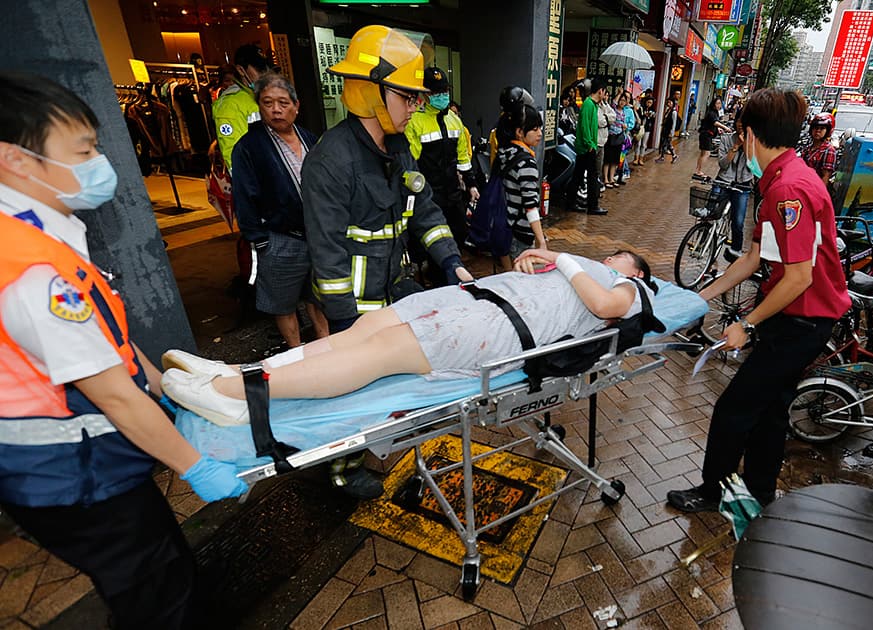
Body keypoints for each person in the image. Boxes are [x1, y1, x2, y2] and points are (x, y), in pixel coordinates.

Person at [0, 73, 246, 629]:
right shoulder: (33, 271)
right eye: (84, 150)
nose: (98, 161)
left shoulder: (42, 225)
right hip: (71, 475)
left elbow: (108, 345)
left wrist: (166, 385)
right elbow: (111, 392)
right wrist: (194, 466)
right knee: (158, 594)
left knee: (158, 571)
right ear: (16, 159)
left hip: (81, 466)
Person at [160, 249, 658, 426]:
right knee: (366, 327)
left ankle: (237, 397)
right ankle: (238, 371)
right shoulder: (576, 270)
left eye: (620, 257)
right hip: (474, 298)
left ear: (633, 271)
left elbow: (604, 307)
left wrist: (567, 259)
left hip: (494, 329)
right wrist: (538, 260)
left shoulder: (627, 286)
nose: (612, 257)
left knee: (382, 353)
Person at [298, 25, 472, 498]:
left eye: (418, 98)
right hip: (355, 309)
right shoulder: (330, 162)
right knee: (356, 393)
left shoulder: (396, 149)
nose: (416, 106)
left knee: (393, 384)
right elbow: (327, 253)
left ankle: (383, 444)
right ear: (370, 90)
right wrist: (346, 324)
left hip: (394, 293)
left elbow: (425, 211)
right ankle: (341, 468)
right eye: (407, 97)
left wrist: (452, 261)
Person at [667, 89, 851, 512]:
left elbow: (799, 277)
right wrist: (699, 296)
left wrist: (746, 324)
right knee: (771, 409)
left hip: (801, 321)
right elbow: (753, 259)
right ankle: (761, 491)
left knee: (734, 409)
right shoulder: (783, 180)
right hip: (798, 317)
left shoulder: (789, 191)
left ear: (749, 134)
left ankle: (713, 492)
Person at [231, 72, 330, 348]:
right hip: (279, 237)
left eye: (283, 103)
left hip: (317, 234)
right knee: (282, 302)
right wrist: (259, 239)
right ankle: (296, 351)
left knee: (319, 295)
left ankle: (324, 342)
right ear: (259, 106)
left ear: (296, 106)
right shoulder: (249, 147)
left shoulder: (310, 138)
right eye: (268, 102)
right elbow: (243, 196)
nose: (276, 109)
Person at [405, 66, 478, 255]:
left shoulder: (454, 120)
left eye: (445, 90)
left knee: (459, 236)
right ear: (426, 94)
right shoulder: (414, 121)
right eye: (436, 92)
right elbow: (410, 163)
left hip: (453, 194)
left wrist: (471, 184)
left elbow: (463, 156)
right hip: (429, 196)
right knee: (434, 245)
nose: (442, 95)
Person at [495, 102, 547, 269]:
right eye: (534, 129)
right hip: (521, 233)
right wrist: (541, 241)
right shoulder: (526, 163)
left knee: (509, 278)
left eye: (540, 127)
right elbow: (530, 206)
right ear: (519, 132)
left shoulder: (504, 153)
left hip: (505, 227)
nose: (540, 133)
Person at [212, 44, 269, 171]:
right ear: (241, 70)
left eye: (266, 68)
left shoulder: (263, 95)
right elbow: (234, 157)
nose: (265, 74)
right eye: (259, 69)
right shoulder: (230, 105)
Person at [565, 78, 608, 215]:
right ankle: (593, 206)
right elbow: (584, 126)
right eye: (604, 92)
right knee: (592, 176)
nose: (605, 95)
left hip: (587, 146)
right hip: (587, 147)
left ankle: (571, 203)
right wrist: (590, 144)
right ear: (600, 91)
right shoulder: (589, 105)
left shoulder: (592, 105)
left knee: (578, 175)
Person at [714, 116, 754, 260]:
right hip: (724, 180)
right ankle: (704, 240)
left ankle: (736, 251)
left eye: (744, 123)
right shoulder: (726, 139)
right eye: (739, 122)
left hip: (742, 184)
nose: (740, 125)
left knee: (737, 221)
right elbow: (723, 164)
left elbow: (753, 167)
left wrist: (746, 147)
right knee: (710, 213)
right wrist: (735, 146)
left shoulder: (754, 143)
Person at [695, 97, 730, 181]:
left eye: (720, 103)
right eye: (717, 103)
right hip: (706, 135)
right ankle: (698, 171)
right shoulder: (712, 113)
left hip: (706, 135)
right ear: (713, 104)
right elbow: (715, 122)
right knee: (706, 153)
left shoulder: (714, 113)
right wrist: (725, 128)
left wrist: (718, 129)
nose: (719, 105)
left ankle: (698, 170)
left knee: (703, 153)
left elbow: (712, 124)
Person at [801, 112, 837, 185]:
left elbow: (825, 177)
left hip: (814, 187)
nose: (818, 131)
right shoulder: (808, 147)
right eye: (816, 128)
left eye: (822, 128)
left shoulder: (828, 150)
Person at [600, 92, 622, 189]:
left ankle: (611, 178)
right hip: (608, 137)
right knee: (607, 159)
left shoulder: (608, 107)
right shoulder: (610, 107)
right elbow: (604, 120)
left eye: (607, 95)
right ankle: (605, 179)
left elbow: (612, 117)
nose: (606, 97)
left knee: (614, 160)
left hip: (619, 137)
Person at [656, 99, 678, 163]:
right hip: (665, 129)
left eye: (670, 102)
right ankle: (672, 156)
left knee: (666, 144)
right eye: (668, 102)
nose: (669, 104)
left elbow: (674, 123)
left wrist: (672, 132)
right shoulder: (668, 110)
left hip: (668, 130)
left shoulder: (674, 112)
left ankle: (668, 156)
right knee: (666, 144)